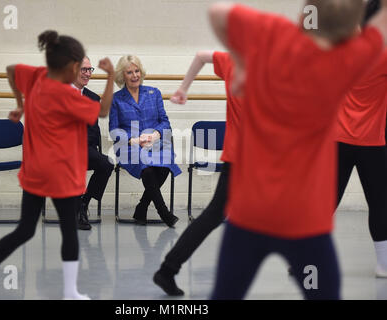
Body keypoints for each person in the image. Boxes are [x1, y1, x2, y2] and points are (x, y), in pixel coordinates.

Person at [208, 0, 387, 299]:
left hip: (250, 212)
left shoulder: (273, 36)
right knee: (378, 203)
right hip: (306, 221)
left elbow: (217, 11)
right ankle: (375, 264)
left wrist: (237, 65)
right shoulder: (356, 59)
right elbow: (378, 27)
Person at [0, 30, 115, 300]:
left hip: (34, 172)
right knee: (70, 232)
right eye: (79, 66)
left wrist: (19, 104)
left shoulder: (35, 77)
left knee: (25, 229)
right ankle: (69, 293)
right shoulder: (69, 98)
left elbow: (11, 70)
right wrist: (112, 76)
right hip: (60, 175)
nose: (82, 70)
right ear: (69, 67)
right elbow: (102, 110)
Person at [153, 51, 242, 296]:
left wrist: (183, 88)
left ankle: (168, 270)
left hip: (239, 158)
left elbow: (202, 56)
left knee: (215, 215)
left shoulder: (234, 61)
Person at [335, 0, 387, 278]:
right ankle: (383, 264)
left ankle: (301, 258)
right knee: (380, 202)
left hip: (338, 141)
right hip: (371, 143)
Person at [109, 55, 181, 228]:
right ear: (122, 76)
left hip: (154, 142)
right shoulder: (116, 99)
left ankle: (142, 207)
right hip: (129, 146)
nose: (135, 75)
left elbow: (164, 122)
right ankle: (163, 211)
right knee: (146, 167)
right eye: (129, 72)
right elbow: (114, 130)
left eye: (137, 71)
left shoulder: (153, 93)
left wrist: (155, 135)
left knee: (164, 166)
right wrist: (133, 140)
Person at [72, 56, 114, 231]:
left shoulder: (93, 99)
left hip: (84, 149)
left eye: (90, 69)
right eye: (84, 69)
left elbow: (93, 131)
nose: (88, 73)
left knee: (107, 163)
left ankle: (83, 204)